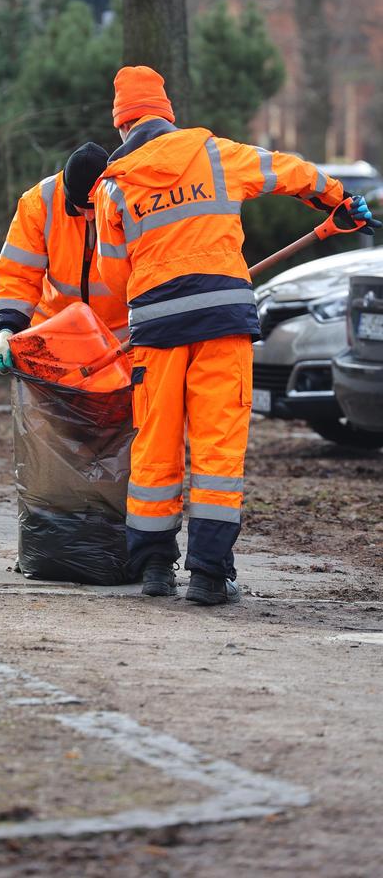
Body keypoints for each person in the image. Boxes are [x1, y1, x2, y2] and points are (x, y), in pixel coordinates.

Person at [92, 65, 380, 605]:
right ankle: (208, 575)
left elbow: (112, 276)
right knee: (217, 449)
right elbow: (291, 172)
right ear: (165, 114)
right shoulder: (217, 155)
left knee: (154, 449)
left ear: (122, 127)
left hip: (155, 329)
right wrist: (339, 198)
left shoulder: (114, 190)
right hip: (223, 324)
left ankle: (154, 569)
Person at [0, 143, 129, 373]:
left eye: (94, 207)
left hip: (121, 347)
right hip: (53, 345)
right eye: (81, 208)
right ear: (67, 196)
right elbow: (18, 275)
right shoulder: (39, 204)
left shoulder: (128, 197)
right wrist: (7, 332)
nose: (90, 215)